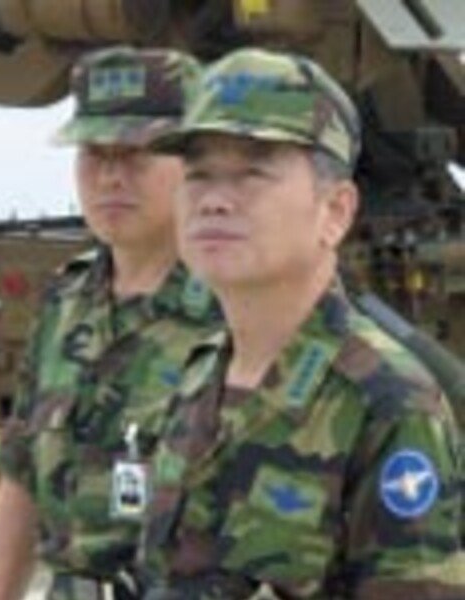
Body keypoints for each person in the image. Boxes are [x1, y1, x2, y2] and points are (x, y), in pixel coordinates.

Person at [138, 48, 465, 599]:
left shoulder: (388, 404)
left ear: (335, 211)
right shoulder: (195, 377)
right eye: (198, 175)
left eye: (252, 174)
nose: (214, 201)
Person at [0, 46, 220, 600]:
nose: (111, 177)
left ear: (195, 162)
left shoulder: (236, 309)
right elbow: (22, 473)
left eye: (136, 154)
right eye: (94, 154)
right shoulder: (67, 302)